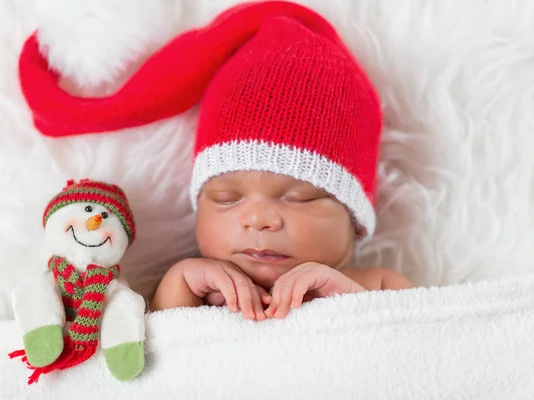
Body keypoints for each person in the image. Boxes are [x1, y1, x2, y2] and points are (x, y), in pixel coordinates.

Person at [146, 2, 413, 320]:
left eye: (301, 197)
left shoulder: (379, 285)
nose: (258, 219)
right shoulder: (196, 288)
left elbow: (411, 343)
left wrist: (347, 300)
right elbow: (165, 355)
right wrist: (180, 282)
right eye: (226, 198)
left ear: (354, 218)